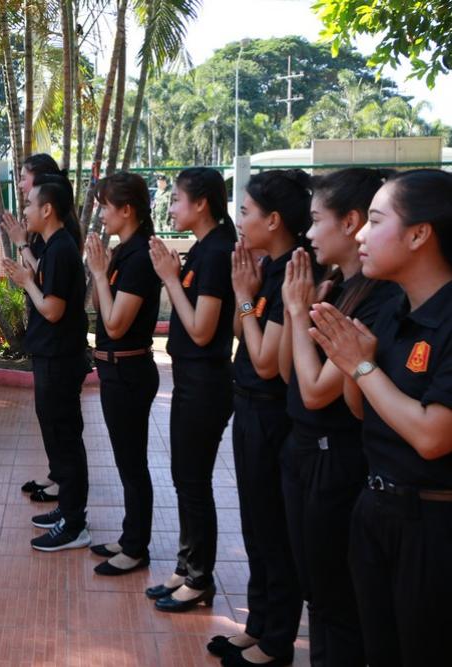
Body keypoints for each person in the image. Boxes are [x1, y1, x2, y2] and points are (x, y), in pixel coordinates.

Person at [307, 169, 452, 666]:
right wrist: (355, 366)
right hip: (376, 505)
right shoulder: (392, 310)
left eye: (375, 220)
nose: (362, 235)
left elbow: (432, 436)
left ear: (418, 234)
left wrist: (362, 367)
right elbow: (361, 409)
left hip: (433, 521)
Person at [276, 169, 399, 667]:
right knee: (317, 592)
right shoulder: (337, 287)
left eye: (316, 220)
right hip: (304, 451)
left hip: (337, 459)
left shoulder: (379, 298)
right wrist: (297, 310)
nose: (307, 233)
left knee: (336, 600)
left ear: (350, 223)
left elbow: (313, 392)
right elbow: (288, 371)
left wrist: (296, 311)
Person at [212, 170, 313, 666]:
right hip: (249, 404)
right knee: (254, 523)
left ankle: (276, 642)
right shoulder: (266, 265)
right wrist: (245, 292)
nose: (240, 219)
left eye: (247, 211)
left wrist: (246, 297)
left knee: (273, 527)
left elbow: (266, 360)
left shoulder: (294, 269)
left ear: (274, 220)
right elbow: (242, 329)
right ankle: (258, 625)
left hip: (273, 411)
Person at [146, 167, 236, 612]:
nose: (171, 208)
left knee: (193, 480)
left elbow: (202, 330)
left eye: (178, 199)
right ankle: (186, 567)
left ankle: (199, 577)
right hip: (190, 380)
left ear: (201, 204)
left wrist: (168, 277)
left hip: (206, 382)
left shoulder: (217, 251)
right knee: (185, 478)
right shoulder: (205, 247)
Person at [4, 173, 89, 551]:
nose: (25, 210)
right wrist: (27, 266)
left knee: (65, 438)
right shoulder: (54, 248)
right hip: (51, 355)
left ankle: (75, 523)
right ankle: (67, 510)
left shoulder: (62, 249)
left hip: (60, 357)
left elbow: (53, 309)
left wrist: (26, 282)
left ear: (48, 209)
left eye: (29, 204)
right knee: (58, 436)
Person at [83, 173, 160, 575]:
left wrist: (100, 272)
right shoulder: (125, 252)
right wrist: (103, 269)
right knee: (126, 461)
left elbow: (115, 325)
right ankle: (131, 535)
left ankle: (136, 547)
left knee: (132, 463)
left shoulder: (141, 257)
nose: (101, 214)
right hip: (116, 371)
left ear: (127, 210)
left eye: (105, 207)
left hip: (129, 371)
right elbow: (101, 306)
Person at [0, 153, 67, 501]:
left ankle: (68, 494)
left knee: (61, 422)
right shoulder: (49, 236)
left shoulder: (62, 239)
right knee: (49, 417)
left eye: (25, 179)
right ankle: (58, 476)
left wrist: (23, 247)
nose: (21, 188)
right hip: (45, 342)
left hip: (58, 345)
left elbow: (47, 283)